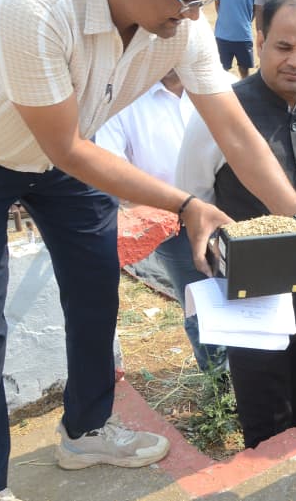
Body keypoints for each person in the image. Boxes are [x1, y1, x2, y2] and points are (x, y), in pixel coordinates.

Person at [0, 0, 296, 501]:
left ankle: (84, 430)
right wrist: (186, 205)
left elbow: (232, 127)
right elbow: (67, 151)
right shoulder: (31, 1)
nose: (193, 17)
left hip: (65, 140)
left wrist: (295, 214)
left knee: (93, 288)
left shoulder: (178, 15)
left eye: (203, 1)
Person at [177, 0, 296, 448]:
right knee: (263, 409)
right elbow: (193, 194)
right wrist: (215, 246)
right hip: (251, 296)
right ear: (259, 41)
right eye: (283, 47)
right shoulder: (220, 113)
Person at [95, 70, 225, 373]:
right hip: (172, 225)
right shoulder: (121, 100)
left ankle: (251, 380)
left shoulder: (220, 87)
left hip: (230, 216)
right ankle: (222, 389)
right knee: (201, 307)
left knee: (249, 300)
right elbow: (110, 169)